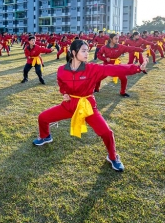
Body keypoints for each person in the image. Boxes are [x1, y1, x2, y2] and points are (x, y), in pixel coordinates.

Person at [32, 39, 148, 172]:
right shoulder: (61, 70)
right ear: (74, 52)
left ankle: (113, 157)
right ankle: (46, 136)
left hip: (87, 106)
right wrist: (64, 93)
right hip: (69, 105)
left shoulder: (92, 68)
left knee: (107, 133)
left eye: (88, 50)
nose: (87, 53)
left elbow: (113, 68)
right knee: (43, 117)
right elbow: (62, 84)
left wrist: (137, 68)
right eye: (84, 50)